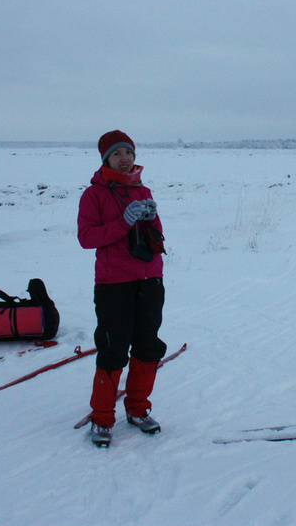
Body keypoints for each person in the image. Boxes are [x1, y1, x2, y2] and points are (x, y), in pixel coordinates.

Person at [77, 130, 167, 447]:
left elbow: (156, 238)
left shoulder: (143, 190)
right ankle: (102, 418)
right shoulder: (93, 195)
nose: (125, 158)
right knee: (114, 349)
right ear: (106, 159)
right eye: (117, 154)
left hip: (149, 280)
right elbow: (87, 239)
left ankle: (138, 410)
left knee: (147, 346)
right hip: (113, 284)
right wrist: (123, 223)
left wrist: (153, 220)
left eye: (128, 152)